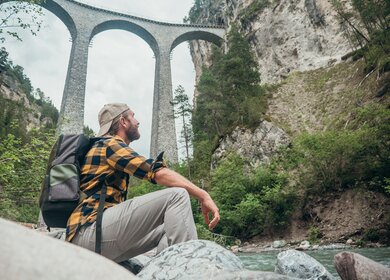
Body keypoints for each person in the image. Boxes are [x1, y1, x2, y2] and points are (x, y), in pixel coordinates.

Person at [66, 103, 220, 262]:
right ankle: (189, 269)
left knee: (168, 228)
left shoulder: (104, 147)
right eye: (133, 116)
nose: (137, 121)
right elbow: (156, 172)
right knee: (177, 196)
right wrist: (203, 195)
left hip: (96, 236)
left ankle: (168, 270)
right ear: (123, 122)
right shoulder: (109, 144)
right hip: (90, 231)